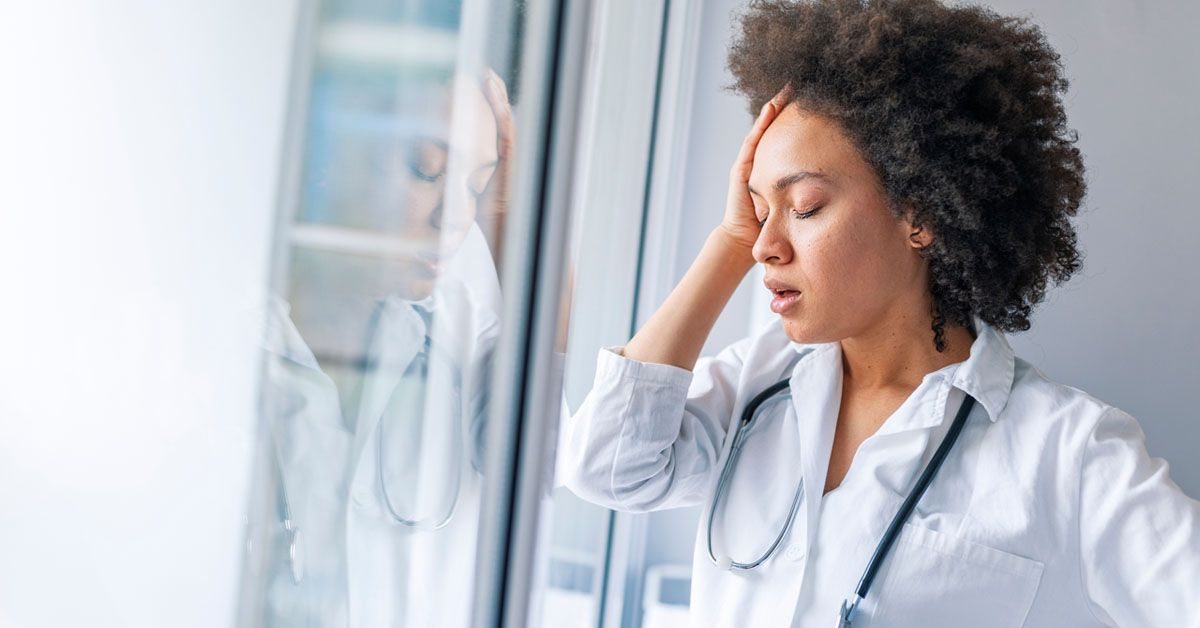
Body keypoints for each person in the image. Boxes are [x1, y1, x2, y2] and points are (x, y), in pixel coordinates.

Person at [559, 1, 1200, 626]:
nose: (764, 244)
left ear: (918, 215)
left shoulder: (1069, 454)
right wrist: (727, 246)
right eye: (758, 208)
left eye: (805, 206)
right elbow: (608, 467)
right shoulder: (755, 387)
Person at [247, 67, 514, 628]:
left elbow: (556, 462)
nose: (456, 216)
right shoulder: (232, 327)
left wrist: (517, 211)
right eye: (427, 170)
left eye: (476, 186)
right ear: (329, 153)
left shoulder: (461, 334)